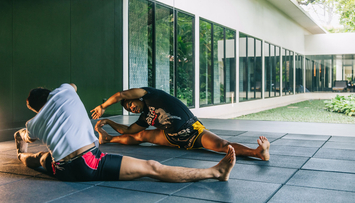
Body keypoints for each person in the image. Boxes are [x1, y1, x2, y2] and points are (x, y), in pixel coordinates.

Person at [15, 83, 236, 182]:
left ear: (36, 109)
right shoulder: (63, 91)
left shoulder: (32, 123)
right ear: (50, 92)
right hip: (91, 162)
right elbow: (73, 86)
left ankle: (20, 155)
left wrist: (22, 138)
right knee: (153, 168)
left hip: (63, 170)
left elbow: (29, 135)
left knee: (37, 158)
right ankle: (215, 173)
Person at [91, 87, 270, 161]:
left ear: (136, 98)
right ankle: (108, 140)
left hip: (192, 132)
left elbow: (121, 95)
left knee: (221, 145)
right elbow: (129, 130)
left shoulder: (152, 94)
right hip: (170, 137)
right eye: (129, 110)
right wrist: (108, 122)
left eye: (131, 104)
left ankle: (257, 152)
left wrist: (103, 107)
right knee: (139, 135)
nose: (132, 108)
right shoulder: (145, 117)